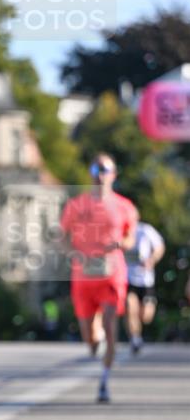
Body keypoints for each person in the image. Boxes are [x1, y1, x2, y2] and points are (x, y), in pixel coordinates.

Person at [60, 153, 138, 403]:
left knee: (110, 324)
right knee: (90, 339)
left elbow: (131, 238)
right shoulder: (76, 205)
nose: (100, 175)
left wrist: (121, 243)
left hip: (112, 274)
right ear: (90, 173)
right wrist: (74, 253)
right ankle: (96, 341)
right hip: (83, 277)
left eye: (105, 170)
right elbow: (62, 237)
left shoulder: (125, 206)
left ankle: (104, 380)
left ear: (114, 175)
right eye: (96, 170)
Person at [125, 222, 165, 354]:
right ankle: (135, 339)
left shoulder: (145, 229)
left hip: (146, 281)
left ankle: (137, 332)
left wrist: (152, 259)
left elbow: (160, 246)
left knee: (146, 316)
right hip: (128, 279)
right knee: (131, 309)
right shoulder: (121, 230)